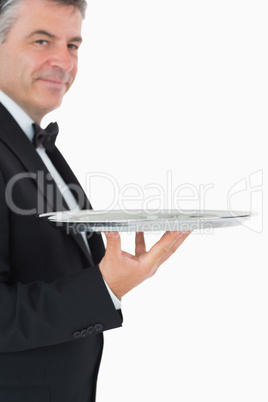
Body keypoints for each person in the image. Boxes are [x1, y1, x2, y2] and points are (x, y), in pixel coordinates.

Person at [0, 0, 191, 400]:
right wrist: (104, 287)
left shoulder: (32, 143)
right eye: (41, 40)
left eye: (73, 45)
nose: (63, 62)